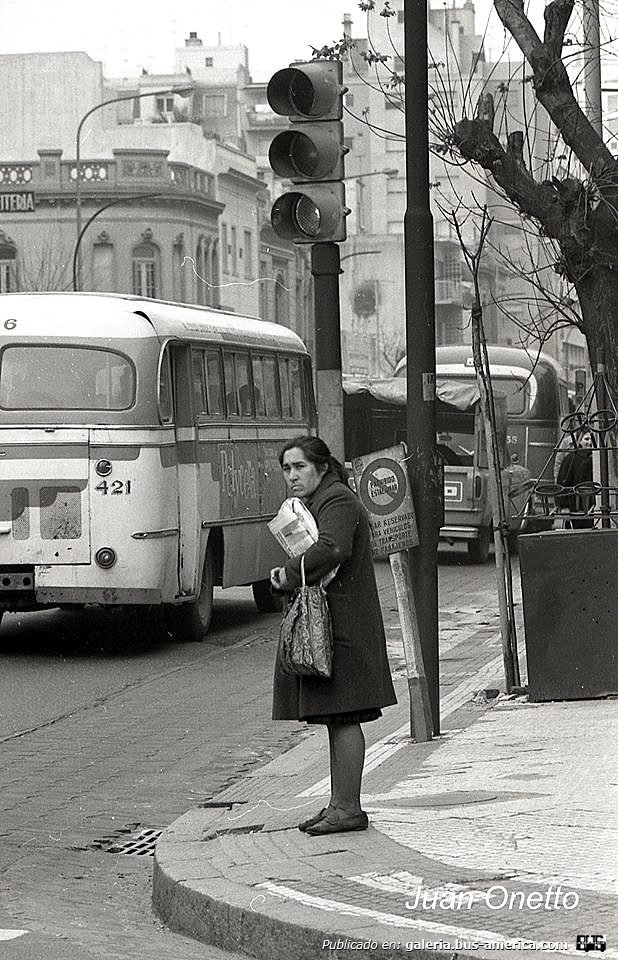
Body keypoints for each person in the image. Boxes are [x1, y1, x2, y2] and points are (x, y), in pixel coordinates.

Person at [270, 435, 397, 836]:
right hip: (335, 624)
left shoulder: (337, 499)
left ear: (322, 467)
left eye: (300, 467)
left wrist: (287, 574)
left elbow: (333, 547)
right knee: (335, 718)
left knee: (344, 717)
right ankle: (338, 804)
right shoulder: (320, 500)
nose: (292, 476)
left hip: (344, 627)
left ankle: (348, 808)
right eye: (287, 469)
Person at [554, 429, 595, 529]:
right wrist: (564, 506)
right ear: (580, 441)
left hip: (593, 507)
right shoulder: (570, 458)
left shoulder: (597, 458)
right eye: (586, 439)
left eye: (591, 439)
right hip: (575, 507)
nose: (589, 442)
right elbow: (563, 482)